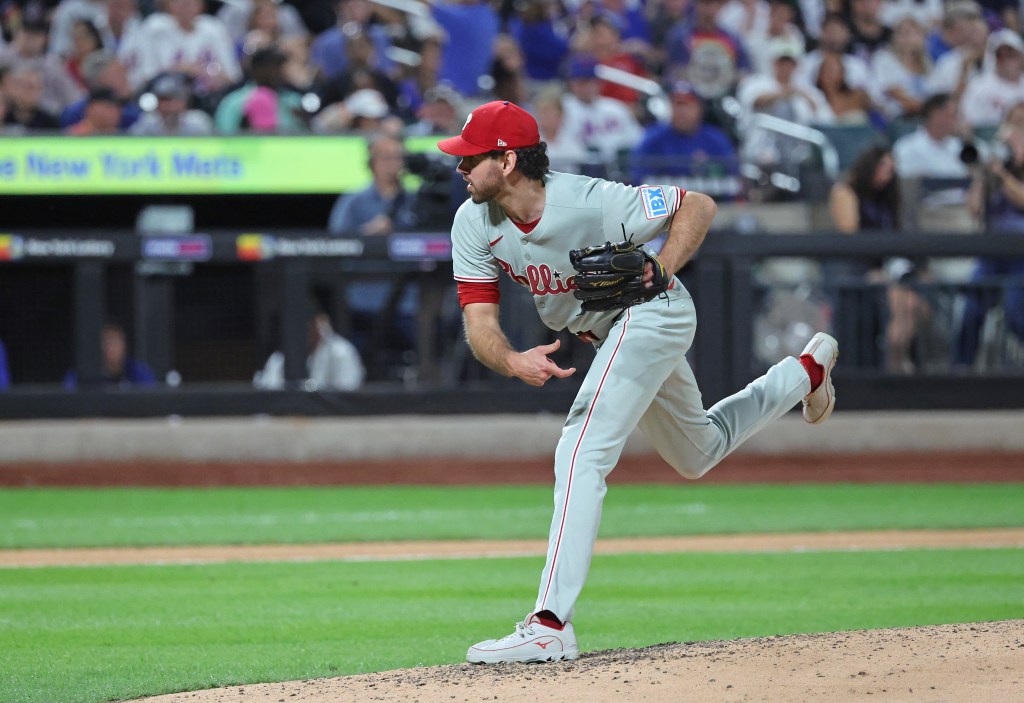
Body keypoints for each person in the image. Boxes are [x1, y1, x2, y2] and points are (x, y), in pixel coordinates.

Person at [437, 100, 839, 664]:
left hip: (654, 312)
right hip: (608, 334)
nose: (459, 168)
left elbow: (696, 205)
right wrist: (510, 360)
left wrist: (665, 266)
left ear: (506, 161)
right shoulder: (472, 221)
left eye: (469, 158)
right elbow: (479, 321)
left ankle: (550, 623)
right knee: (697, 452)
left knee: (579, 449)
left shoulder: (590, 200)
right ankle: (806, 372)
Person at [829, 145, 931, 372]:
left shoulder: (890, 196)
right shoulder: (846, 190)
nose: (888, 173)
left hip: (892, 265)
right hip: (860, 266)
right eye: (883, 167)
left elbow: (901, 234)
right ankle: (896, 364)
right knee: (899, 299)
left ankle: (898, 358)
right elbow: (849, 233)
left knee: (913, 303)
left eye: (891, 169)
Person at [957, 101, 1024, 366]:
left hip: (1020, 256)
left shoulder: (1007, 172)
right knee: (971, 310)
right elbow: (974, 208)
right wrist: (984, 175)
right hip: (991, 254)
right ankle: (960, 369)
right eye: (1014, 124)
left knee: (1015, 311)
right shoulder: (999, 163)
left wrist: (1005, 175)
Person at [630, 81, 739, 196]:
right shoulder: (653, 139)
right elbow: (639, 181)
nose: (682, 111)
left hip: (712, 203)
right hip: (665, 206)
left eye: (687, 105)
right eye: (677, 105)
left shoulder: (716, 138)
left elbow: (732, 179)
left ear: (699, 108)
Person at [253, 312, 365, 390]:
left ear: (317, 324)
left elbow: (347, 397)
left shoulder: (341, 352)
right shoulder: (279, 358)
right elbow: (269, 392)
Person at [63, 322, 157, 389]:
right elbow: (68, 402)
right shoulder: (81, 374)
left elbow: (151, 402)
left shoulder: (139, 372)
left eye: (115, 342)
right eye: (106, 342)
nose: (111, 348)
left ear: (124, 346)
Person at [129, 71, 213, 135]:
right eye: (163, 100)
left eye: (172, 100)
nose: (168, 106)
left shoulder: (197, 122)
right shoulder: (148, 122)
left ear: (183, 102)